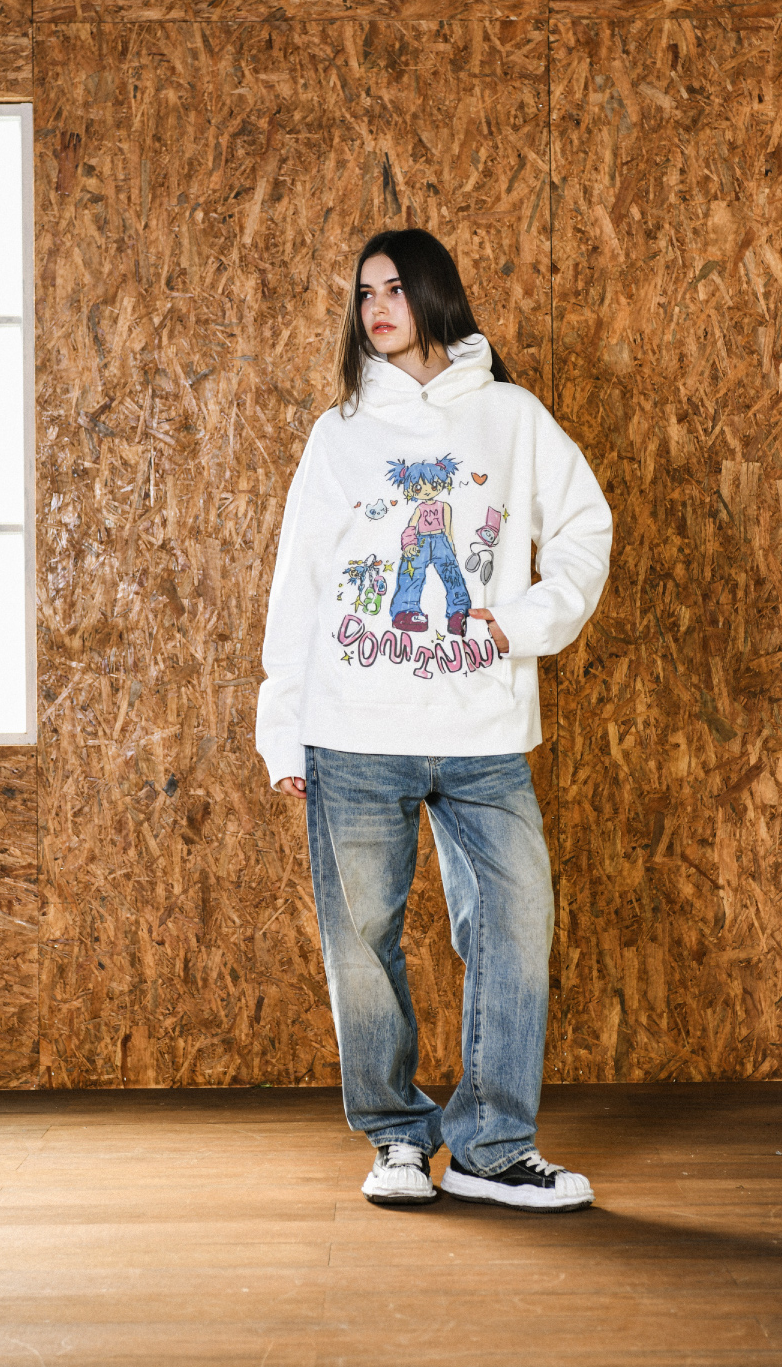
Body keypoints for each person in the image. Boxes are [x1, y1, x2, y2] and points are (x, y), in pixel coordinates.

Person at [255, 213, 613, 1211]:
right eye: (364, 292)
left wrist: (523, 622)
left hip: (482, 733)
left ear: (434, 294)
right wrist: (282, 727)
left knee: (515, 920)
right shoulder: (340, 432)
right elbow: (298, 586)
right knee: (360, 942)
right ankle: (397, 1138)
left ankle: (492, 1147)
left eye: (395, 288)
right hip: (354, 727)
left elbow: (583, 528)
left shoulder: (510, 416)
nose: (377, 307)